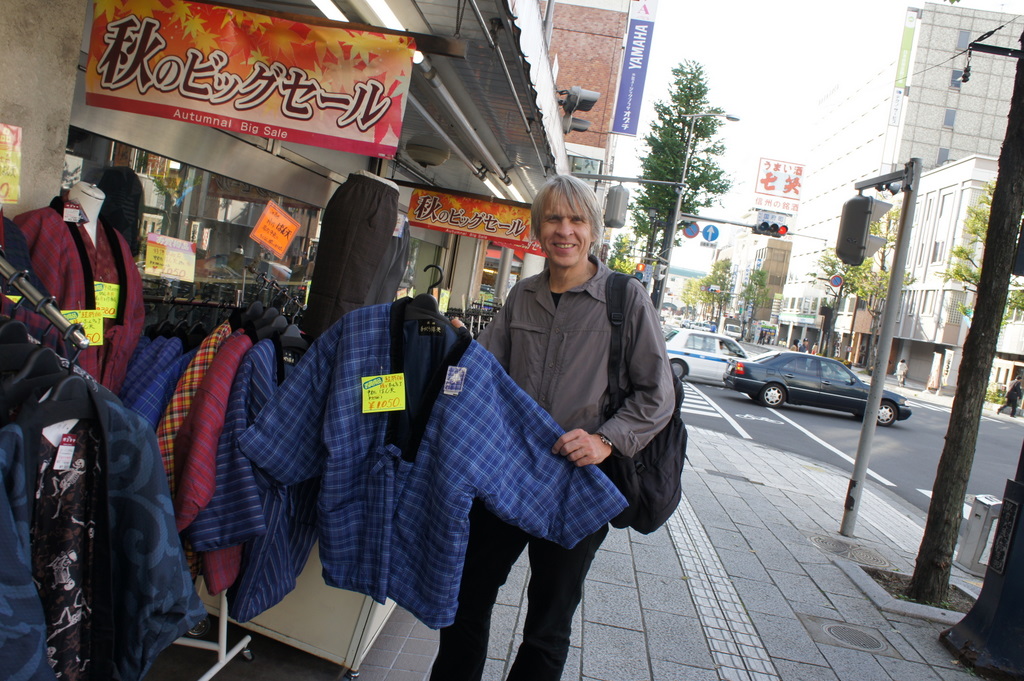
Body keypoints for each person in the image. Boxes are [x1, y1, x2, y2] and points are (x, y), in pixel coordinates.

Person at [430, 175, 674, 681]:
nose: (564, 230)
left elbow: (658, 394)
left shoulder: (624, 299)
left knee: (548, 622)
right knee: (465, 597)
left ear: (594, 229)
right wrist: (449, 351)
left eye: (576, 219)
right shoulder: (522, 297)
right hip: (508, 476)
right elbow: (487, 377)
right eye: (553, 219)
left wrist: (606, 440)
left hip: (578, 483)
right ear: (538, 229)